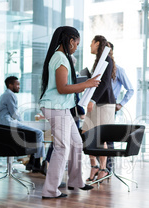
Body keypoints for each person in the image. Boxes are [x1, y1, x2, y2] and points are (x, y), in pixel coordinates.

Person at [39, 26, 100, 198]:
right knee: (62, 147)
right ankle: (50, 190)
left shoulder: (63, 57)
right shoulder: (59, 57)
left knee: (76, 143)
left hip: (61, 107)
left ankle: (75, 181)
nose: (77, 47)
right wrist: (86, 84)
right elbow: (62, 87)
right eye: (77, 44)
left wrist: (84, 83)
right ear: (70, 40)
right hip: (55, 107)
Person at [0, 76, 46, 173]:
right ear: (10, 85)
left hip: (4, 125)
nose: (19, 87)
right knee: (39, 133)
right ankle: (37, 163)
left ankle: (32, 161)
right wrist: (23, 122)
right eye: (17, 84)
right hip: (8, 124)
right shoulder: (10, 95)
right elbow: (14, 113)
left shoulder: (4, 95)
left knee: (33, 134)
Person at [82, 35, 116, 182]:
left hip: (104, 103)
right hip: (96, 102)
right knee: (86, 132)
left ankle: (103, 169)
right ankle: (94, 165)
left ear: (97, 43)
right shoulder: (99, 61)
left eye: (91, 43)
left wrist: (93, 100)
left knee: (102, 138)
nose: (90, 46)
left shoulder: (107, 60)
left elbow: (104, 84)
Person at [105, 41, 135, 172]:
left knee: (108, 137)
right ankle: (101, 168)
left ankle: (109, 168)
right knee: (99, 138)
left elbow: (131, 89)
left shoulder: (119, 70)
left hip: (111, 106)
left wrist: (121, 104)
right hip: (99, 106)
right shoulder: (100, 68)